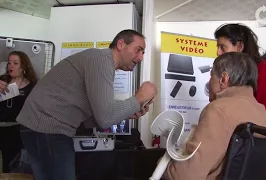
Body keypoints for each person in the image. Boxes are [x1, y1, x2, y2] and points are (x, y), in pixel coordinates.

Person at [6, 29, 157, 180]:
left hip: (40, 126)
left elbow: (94, 119)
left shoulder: (100, 62)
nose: (141, 57)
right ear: (121, 44)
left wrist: (127, 112)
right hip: (48, 126)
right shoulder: (102, 59)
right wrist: (139, 98)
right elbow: (105, 117)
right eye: (139, 50)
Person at [164, 52, 266, 180]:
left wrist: (166, 168)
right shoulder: (264, 115)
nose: (209, 83)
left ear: (223, 79)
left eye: (211, 77)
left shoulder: (218, 110)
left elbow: (186, 176)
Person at [214, 23, 266, 164]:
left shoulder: (265, 69)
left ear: (240, 47)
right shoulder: (231, 74)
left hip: (255, 155)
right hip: (235, 152)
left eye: (222, 47)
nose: (218, 53)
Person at [0, 51, 37, 173]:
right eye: (9, 63)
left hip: (17, 131)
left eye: (15, 63)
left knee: (11, 164)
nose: (11, 66)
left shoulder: (31, 87)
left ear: (23, 67)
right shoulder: (2, 81)